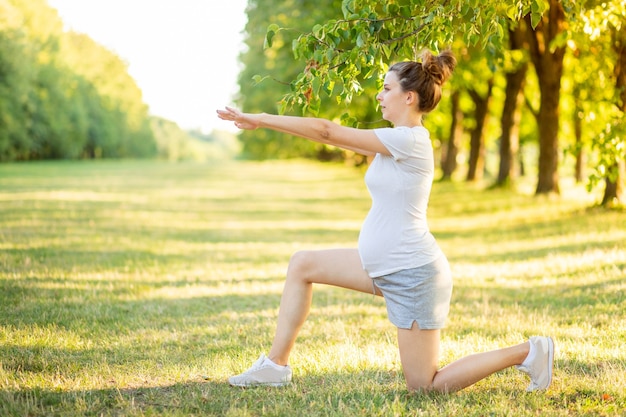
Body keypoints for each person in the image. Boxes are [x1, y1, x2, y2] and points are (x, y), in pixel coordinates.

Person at [216, 50, 554, 393]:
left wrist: (260, 118)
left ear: (408, 97)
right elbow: (324, 135)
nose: (379, 95)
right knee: (303, 264)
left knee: (425, 387)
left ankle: (529, 351)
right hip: (380, 266)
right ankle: (275, 365)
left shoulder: (409, 140)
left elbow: (327, 131)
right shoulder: (392, 142)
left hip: (412, 275)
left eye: (386, 88)